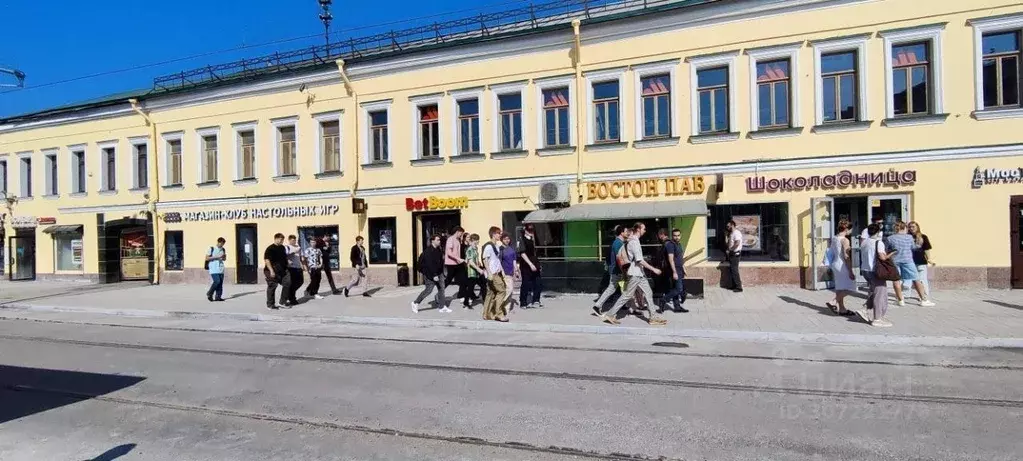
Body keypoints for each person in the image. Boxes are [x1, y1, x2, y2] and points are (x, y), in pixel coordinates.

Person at [601, 222, 667, 326]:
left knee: (648, 293)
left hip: (639, 273)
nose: (645, 231)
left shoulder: (633, 241)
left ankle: (653, 317)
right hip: (635, 273)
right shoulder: (634, 242)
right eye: (644, 229)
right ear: (638, 229)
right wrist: (653, 269)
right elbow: (639, 260)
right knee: (627, 295)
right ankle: (610, 314)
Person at [886, 222, 935, 307]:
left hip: (895, 261)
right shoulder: (909, 237)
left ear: (895, 229)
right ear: (904, 228)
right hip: (908, 261)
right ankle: (923, 300)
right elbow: (914, 247)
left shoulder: (890, 238)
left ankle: (900, 300)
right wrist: (919, 244)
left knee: (896, 280)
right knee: (916, 279)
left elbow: (887, 249)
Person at [856, 223, 895, 327]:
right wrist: (892, 253)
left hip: (865, 270)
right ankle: (877, 318)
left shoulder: (864, 242)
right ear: (878, 232)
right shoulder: (878, 243)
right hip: (875, 271)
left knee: (873, 292)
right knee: (880, 294)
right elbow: (882, 257)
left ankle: (865, 309)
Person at [592, 225, 629, 316]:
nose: (627, 233)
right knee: (612, 288)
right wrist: (624, 271)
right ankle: (597, 306)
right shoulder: (618, 243)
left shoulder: (619, 242)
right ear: (622, 233)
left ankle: (623, 304)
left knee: (623, 288)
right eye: (626, 231)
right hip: (617, 270)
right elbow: (619, 258)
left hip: (616, 270)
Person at [826, 220, 857, 316]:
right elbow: (846, 257)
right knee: (851, 287)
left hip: (835, 264)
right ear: (847, 229)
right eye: (851, 229)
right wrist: (851, 271)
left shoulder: (835, 238)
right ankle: (833, 301)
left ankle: (842, 309)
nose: (851, 231)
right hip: (842, 265)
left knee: (840, 288)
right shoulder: (845, 240)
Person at [412, 234, 447, 313]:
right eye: (438, 240)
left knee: (441, 289)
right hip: (430, 274)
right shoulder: (428, 251)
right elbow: (429, 265)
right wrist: (434, 275)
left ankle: (442, 307)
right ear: (432, 241)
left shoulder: (438, 250)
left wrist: (442, 273)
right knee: (428, 290)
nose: (439, 241)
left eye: (440, 240)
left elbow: (440, 262)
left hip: (439, 273)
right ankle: (415, 303)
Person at [481, 226, 509, 322]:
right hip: (492, 274)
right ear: (493, 234)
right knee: (502, 291)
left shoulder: (496, 246)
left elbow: (496, 260)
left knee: (491, 293)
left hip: (496, 272)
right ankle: (499, 314)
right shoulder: (489, 246)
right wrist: (489, 273)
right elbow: (485, 260)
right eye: (498, 233)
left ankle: (487, 314)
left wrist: (502, 270)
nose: (500, 235)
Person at [660, 228, 689, 313]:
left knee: (675, 288)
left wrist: (684, 267)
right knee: (679, 289)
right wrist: (674, 272)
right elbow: (671, 259)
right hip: (674, 270)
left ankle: (677, 307)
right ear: (672, 236)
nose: (676, 237)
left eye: (678, 235)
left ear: (680, 235)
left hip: (680, 269)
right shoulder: (670, 245)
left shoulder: (679, 244)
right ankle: (663, 300)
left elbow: (680, 258)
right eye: (675, 235)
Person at [518, 224, 543, 308]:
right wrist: (530, 264)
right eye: (529, 231)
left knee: (538, 282)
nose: (531, 232)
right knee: (526, 283)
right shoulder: (522, 240)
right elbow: (522, 253)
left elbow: (536, 254)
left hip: (535, 263)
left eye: (532, 231)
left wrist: (538, 264)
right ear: (525, 231)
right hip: (526, 265)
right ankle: (523, 302)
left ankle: (536, 300)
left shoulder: (535, 240)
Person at [263, 233, 289, 310]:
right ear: (276, 239)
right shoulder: (270, 248)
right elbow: (267, 260)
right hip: (271, 270)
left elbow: (284, 257)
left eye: (283, 240)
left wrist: (287, 264)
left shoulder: (282, 247)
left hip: (283, 270)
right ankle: (270, 305)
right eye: (281, 240)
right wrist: (271, 271)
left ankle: (282, 302)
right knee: (272, 286)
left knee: (287, 283)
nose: (282, 241)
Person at [908, 221, 933, 301]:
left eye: (913, 227)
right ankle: (906, 295)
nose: (911, 228)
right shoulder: (907, 237)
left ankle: (924, 295)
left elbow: (927, 249)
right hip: (910, 261)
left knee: (922, 279)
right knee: (909, 279)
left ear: (917, 227)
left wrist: (929, 259)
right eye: (910, 227)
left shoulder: (923, 237)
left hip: (921, 261)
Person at [443, 226, 466, 308]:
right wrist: (458, 258)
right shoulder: (450, 239)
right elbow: (449, 252)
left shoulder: (457, 240)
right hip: (451, 263)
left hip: (457, 263)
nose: (461, 235)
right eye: (461, 233)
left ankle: (462, 296)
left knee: (463, 279)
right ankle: (439, 293)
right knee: (448, 280)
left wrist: (460, 260)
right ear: (457, 231)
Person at [462, 234, 485, 309]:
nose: (477, 242)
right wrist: (479, 269)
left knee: (483, 285)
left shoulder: (475, 248)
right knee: (470, 288)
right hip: (472, 272)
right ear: (472, 241)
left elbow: (476, 259)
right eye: (476, 241)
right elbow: (471, 262)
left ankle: (485, 301)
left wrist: (479, 264)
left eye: (478, 240)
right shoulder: (469, 250)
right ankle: (466, 303)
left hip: (477, 272)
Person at [499, 233, 517, 312]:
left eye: (508, 239)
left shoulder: (511, 248)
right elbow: (499, 261)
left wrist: (516, 270)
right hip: (504, 272)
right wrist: (502, 271)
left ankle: (507, 308)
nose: (507, 240)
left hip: (511, 272)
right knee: (509, 289)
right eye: (505, 239)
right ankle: (498, 304)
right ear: (502, 240)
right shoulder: (500, 249)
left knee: (510, 291)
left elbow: (514, 260)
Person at [205, 237, 227, 302]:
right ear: (218, 242)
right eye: (221, 244)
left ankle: (218, 297)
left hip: (221, 268)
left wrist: (224, 257)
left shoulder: (223, 249)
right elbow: (207, 258)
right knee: (217, 281)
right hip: (213, 268)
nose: (222, 245)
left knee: (220, 283)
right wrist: (217, 257)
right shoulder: (212, 249)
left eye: (223, 244)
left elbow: (224, 259)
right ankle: (210, 293)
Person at [284, 235, 304, 306]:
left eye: (295, 240)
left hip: (298, 267)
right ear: (289, 240)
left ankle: (290, 295)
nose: (294, 241)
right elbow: (284, 256)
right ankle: (292, 299)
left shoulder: (298, 247)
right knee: (292, 283)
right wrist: (292, 254)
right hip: (291, 268)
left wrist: (302, 265)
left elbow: (300, 257)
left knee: (300, 282)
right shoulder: (287, 247)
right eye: (292, 240)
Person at [726, 220, 744, 292]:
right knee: (732, 270)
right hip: (732, 254)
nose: (727, 227)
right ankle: (734, 285)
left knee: (734, 270)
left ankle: (739, 287)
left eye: (728, 226)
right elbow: (728, 243)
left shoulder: (736, 233)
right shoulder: (731, 233)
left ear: (732, 225)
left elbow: (737, 243)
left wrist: (730, 250)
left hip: (735, 254)